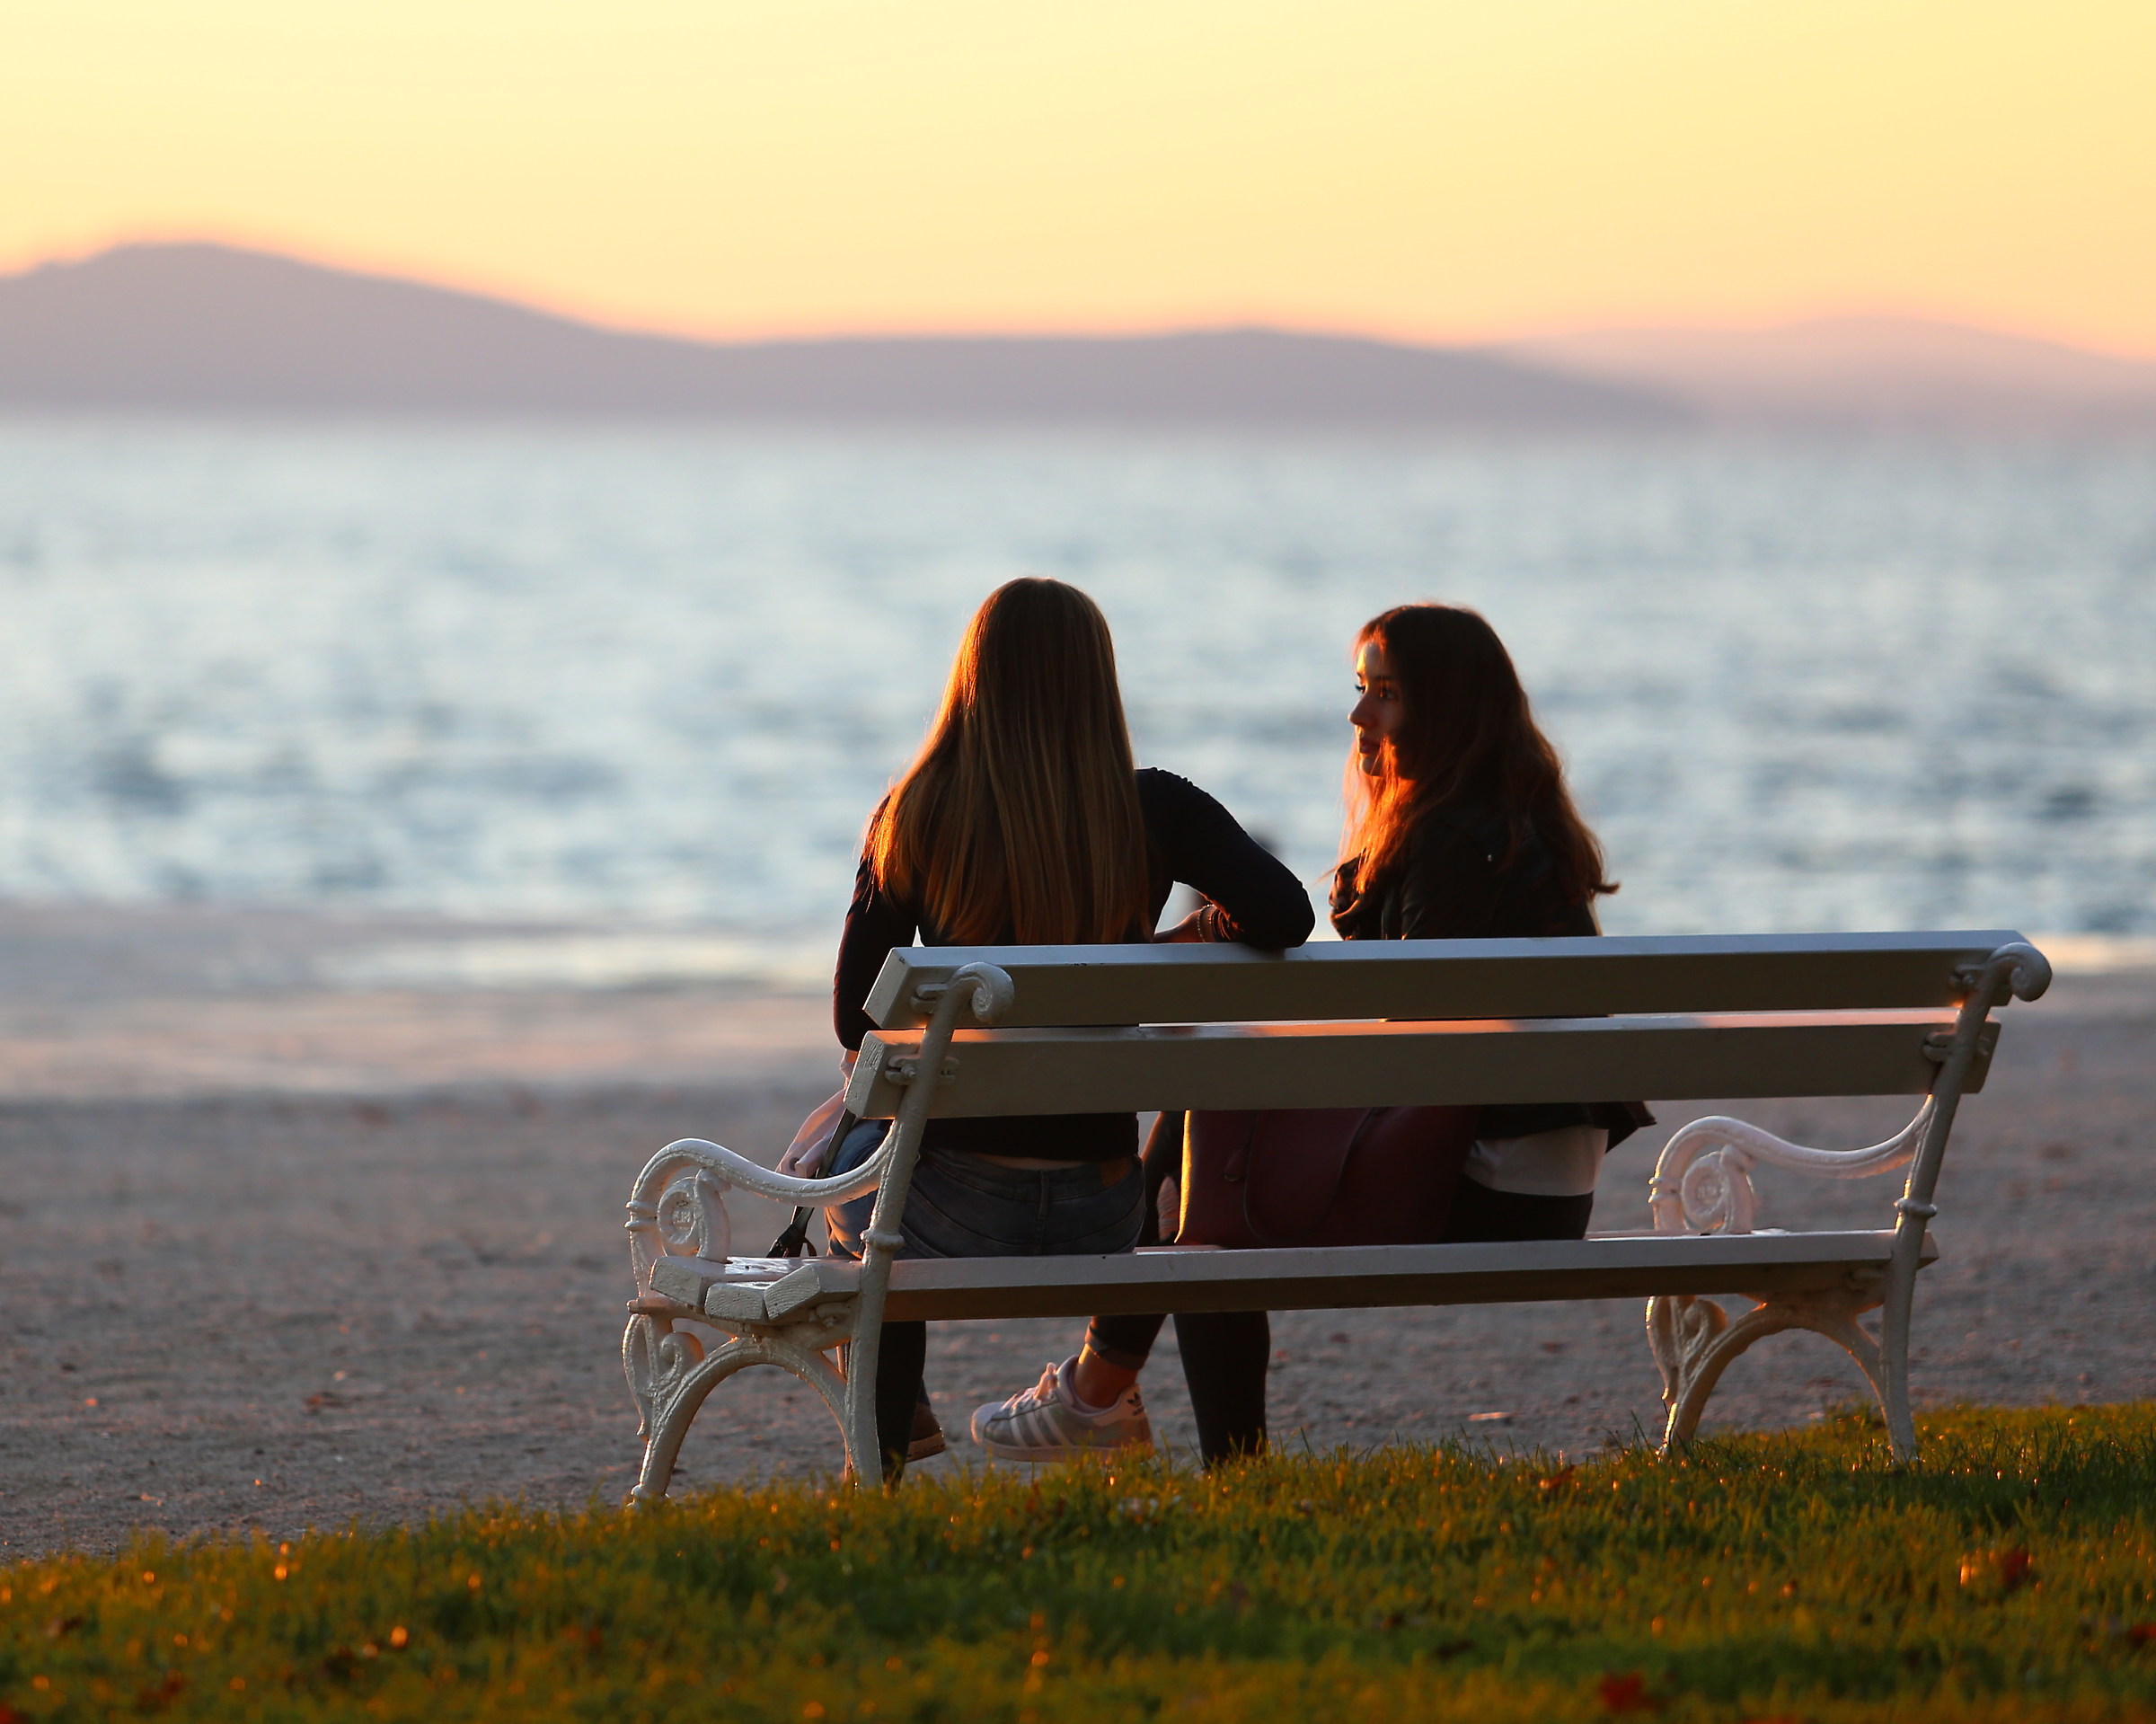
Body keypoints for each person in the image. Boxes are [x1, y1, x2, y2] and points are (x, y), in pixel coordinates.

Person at [972, 601, 1648, 1466]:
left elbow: (1419, 1040)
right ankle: (1102, 1389)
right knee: (1207, 1120)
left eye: (1387, 696)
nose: (1359, 716)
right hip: (1543, 1186)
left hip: (1484, 1187)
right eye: (1361, 690)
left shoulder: (1447, 843)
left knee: (1211, 1193)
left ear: (1446, 712)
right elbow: (1425, 1030)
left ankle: (1132, 1408)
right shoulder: (1511, 833)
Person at [782, 577, 1313, 1481]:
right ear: (1094, 683)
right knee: (856, 1149)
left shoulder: (917, 808)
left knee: (842, 1162)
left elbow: (854, 1015)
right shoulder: (1156, 808)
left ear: (972, 678)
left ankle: (882, 1448)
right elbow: (1285, 911)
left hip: (945, 1213)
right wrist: (1162, 945)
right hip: (1104, 1205)